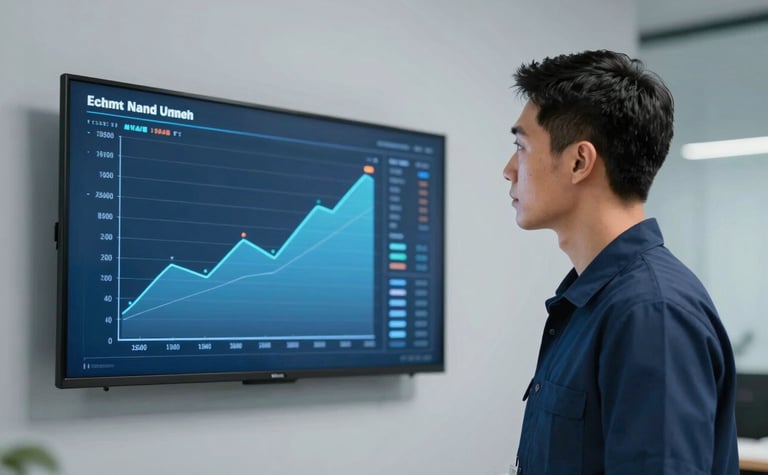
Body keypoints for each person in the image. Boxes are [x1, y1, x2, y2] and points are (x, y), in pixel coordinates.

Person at [503, 50, 739, 474]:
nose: (508, 170)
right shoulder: (592, 304)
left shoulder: (652, 313)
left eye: (520, 147)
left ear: (579, 161)